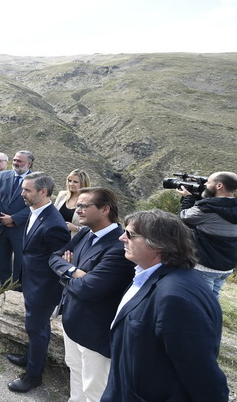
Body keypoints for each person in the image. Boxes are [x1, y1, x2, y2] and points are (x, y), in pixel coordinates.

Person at [101, 209, 228, 402]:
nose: (121, 238)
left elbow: (202, 375)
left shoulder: (175, 297)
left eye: (130, 234)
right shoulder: (150, 275)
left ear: (158, 244)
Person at [48, 187, 134, 402]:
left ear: (105, 209)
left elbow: (89, 289)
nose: (78, 211)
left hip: (95, 330)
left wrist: (70, 273)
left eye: (84, 206)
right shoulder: (86, 232)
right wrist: (74, 271)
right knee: (75, 371)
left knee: (95, 388)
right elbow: (55, 257)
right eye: (78, 206)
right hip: (72, 319)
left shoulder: (119, 246)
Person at [6, 172, 71, 393]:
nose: (22, 193)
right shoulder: (35, 211)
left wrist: (40, 289)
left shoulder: (54, 224)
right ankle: (30, 357)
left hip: (43, 289)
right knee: (32, 327)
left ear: (43, 192)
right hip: (31, 282)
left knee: (38, 329)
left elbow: (56, 263)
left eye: (27, 190)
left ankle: (34, 376)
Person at [177, 171, 237, 299]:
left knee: (201, 303)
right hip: (226, 266)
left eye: (208, 182)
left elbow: (184, 217)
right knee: (212, 300)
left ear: (219, 186)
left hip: (205, 266)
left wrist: (188, 198)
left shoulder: (207, 207)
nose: (205, 184)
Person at [0, 150, 34, 291]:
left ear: (29, 163)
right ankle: (3, 284)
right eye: (15, 160)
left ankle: (17, 287)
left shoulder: (35, 180)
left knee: (20, 261)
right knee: (2, 258)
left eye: (19, 161)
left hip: (20, 228)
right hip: (1, 226)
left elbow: (35, 205)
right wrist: (0, 217)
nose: (16, 163)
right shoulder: (4, 175)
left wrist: (14, 219)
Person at [54, 169, 91, 237]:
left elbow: (92, 229)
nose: (71, 184)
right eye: (69, 181)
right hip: (55, 237)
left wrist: (75, 228)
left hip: (74, 241)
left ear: (83, 184)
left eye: (75, 182)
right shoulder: (62, 195)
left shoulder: (89, 201)